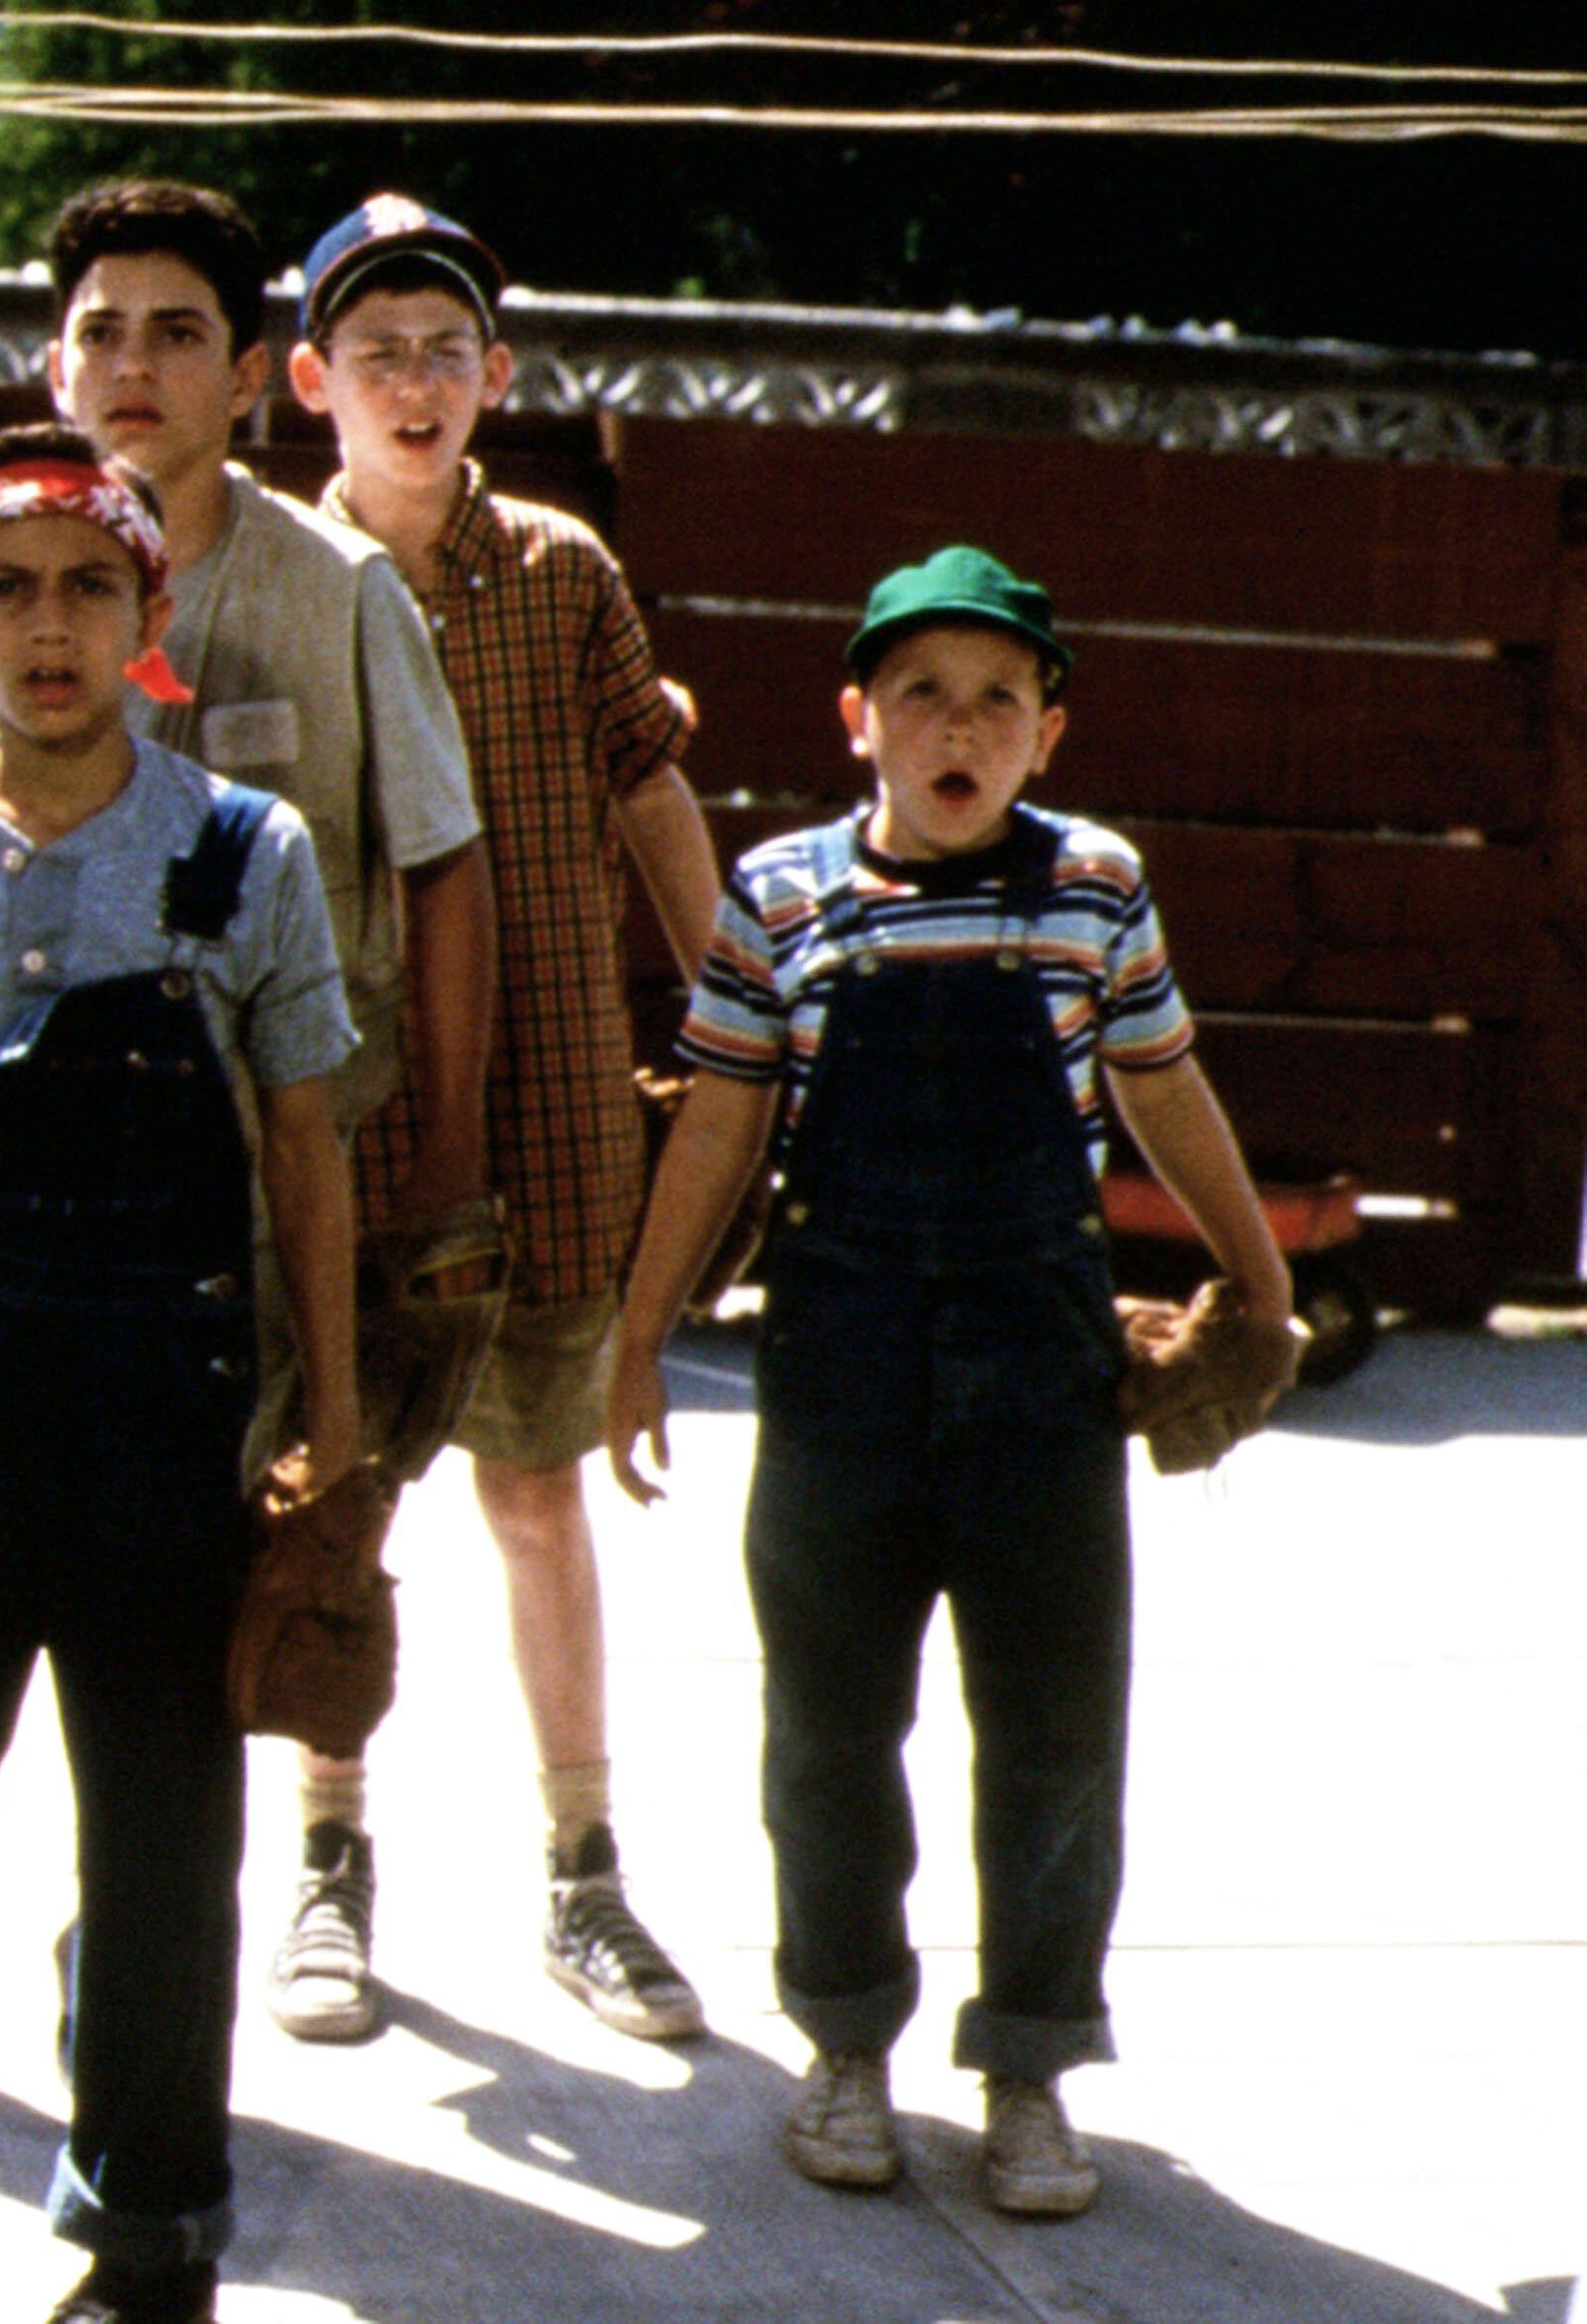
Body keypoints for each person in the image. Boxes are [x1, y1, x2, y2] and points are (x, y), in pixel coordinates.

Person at [0, 174, 488, 2116]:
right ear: (53, 361)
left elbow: (441, 871)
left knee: (171, 1669)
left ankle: (131, 2044)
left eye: (175, 331)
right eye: (98, 331)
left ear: (248, 373)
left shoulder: (337, 589)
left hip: (226, 1224)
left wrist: (444, 1174)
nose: (131, 366)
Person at [604, 546, 1298, 2218]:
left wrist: (1260, 1278)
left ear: (1048, 730)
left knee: (1055, 1726)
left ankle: (1032, 2068)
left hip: (1038, 1354)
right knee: (831, 1720)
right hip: (837, 1353)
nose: (958, 724)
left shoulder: (1097, 887)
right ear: (860, 719)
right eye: (922, 691)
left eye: (998, 695)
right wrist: (637, 1337)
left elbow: (1162, 1079)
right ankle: (845, 2041)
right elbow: (717, 1119)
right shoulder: (776, 895)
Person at [0, 423, 366, 2324]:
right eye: (4, 587)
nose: (47, 624)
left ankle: (147, 2236)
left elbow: (304, 1144)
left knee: (165, 1830)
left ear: (147, 614)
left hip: (159, 1388)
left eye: (86, 585)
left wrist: (331, 1412)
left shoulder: (238, 848)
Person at [268, 195, 725, 2045]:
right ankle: (327, 1862)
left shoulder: (562, 571)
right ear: (309, 379)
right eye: (374, 348)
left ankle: (582, 1869)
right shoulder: (264, 580)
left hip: (553, 1127)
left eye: (445, 348)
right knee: (337, 1499)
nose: (412, 379)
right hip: (346, 1134)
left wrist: (743, 1010)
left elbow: (651, 791)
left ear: (497, 377)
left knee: (539, 1491)